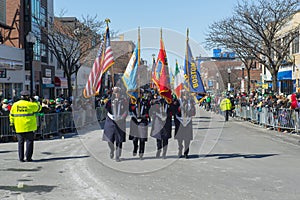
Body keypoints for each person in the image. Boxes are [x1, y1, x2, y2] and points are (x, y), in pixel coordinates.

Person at [9, 90, 41, 162]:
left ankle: (21, 158)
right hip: (29, 126)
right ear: (27, 96)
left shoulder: (15, 105)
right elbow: (39, 108)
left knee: (20, 142)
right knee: (29, 142)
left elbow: (11, 115)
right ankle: (28, 157)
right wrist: (35, 101)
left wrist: (12, 124)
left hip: (18, 126)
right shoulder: (30, 105)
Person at [103, 87, 128, 162]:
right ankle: (112, 149)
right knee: (109, 139)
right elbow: (105, 110)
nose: (117, 94)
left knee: (119, 140)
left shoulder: (124, 101)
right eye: (115, 93)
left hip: (120, 122)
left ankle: (117, 156)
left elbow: (126, 111)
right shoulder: (110, 101)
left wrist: (122, 117)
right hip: (110, 121)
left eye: (118, 93)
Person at [129, 88, 151, 159]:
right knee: (135, 138)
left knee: (142, 138)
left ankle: (141, 152)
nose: (138, 95)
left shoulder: (146, 102)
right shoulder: (133, 102)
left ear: (142, 94)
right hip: (135, 121)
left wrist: (146, 115)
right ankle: (135, 147)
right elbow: (129, 109)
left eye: (140, 93)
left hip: (143, 121)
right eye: (137, 94)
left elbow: (149, 110)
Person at [174, 90, 196, 159]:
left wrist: (191, 111)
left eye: (186, 95)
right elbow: (174, 110)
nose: (185, 96)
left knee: (187, 139)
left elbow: (194, 112)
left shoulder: (191, 102)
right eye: (184, 95)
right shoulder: (177, 101)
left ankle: (186, 152)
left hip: (188, 121)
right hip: (179, 121)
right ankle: (180, 149)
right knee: (179, 138)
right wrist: (178, 108)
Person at [150, 93, 172, 159]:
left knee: (165, 138)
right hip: (158, 122)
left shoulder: (169, 102)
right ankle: (159, 150)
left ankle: (164, 153)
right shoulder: (156, 102)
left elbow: (173, 110)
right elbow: (151, 110)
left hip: (166, 122)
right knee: (158, 138)